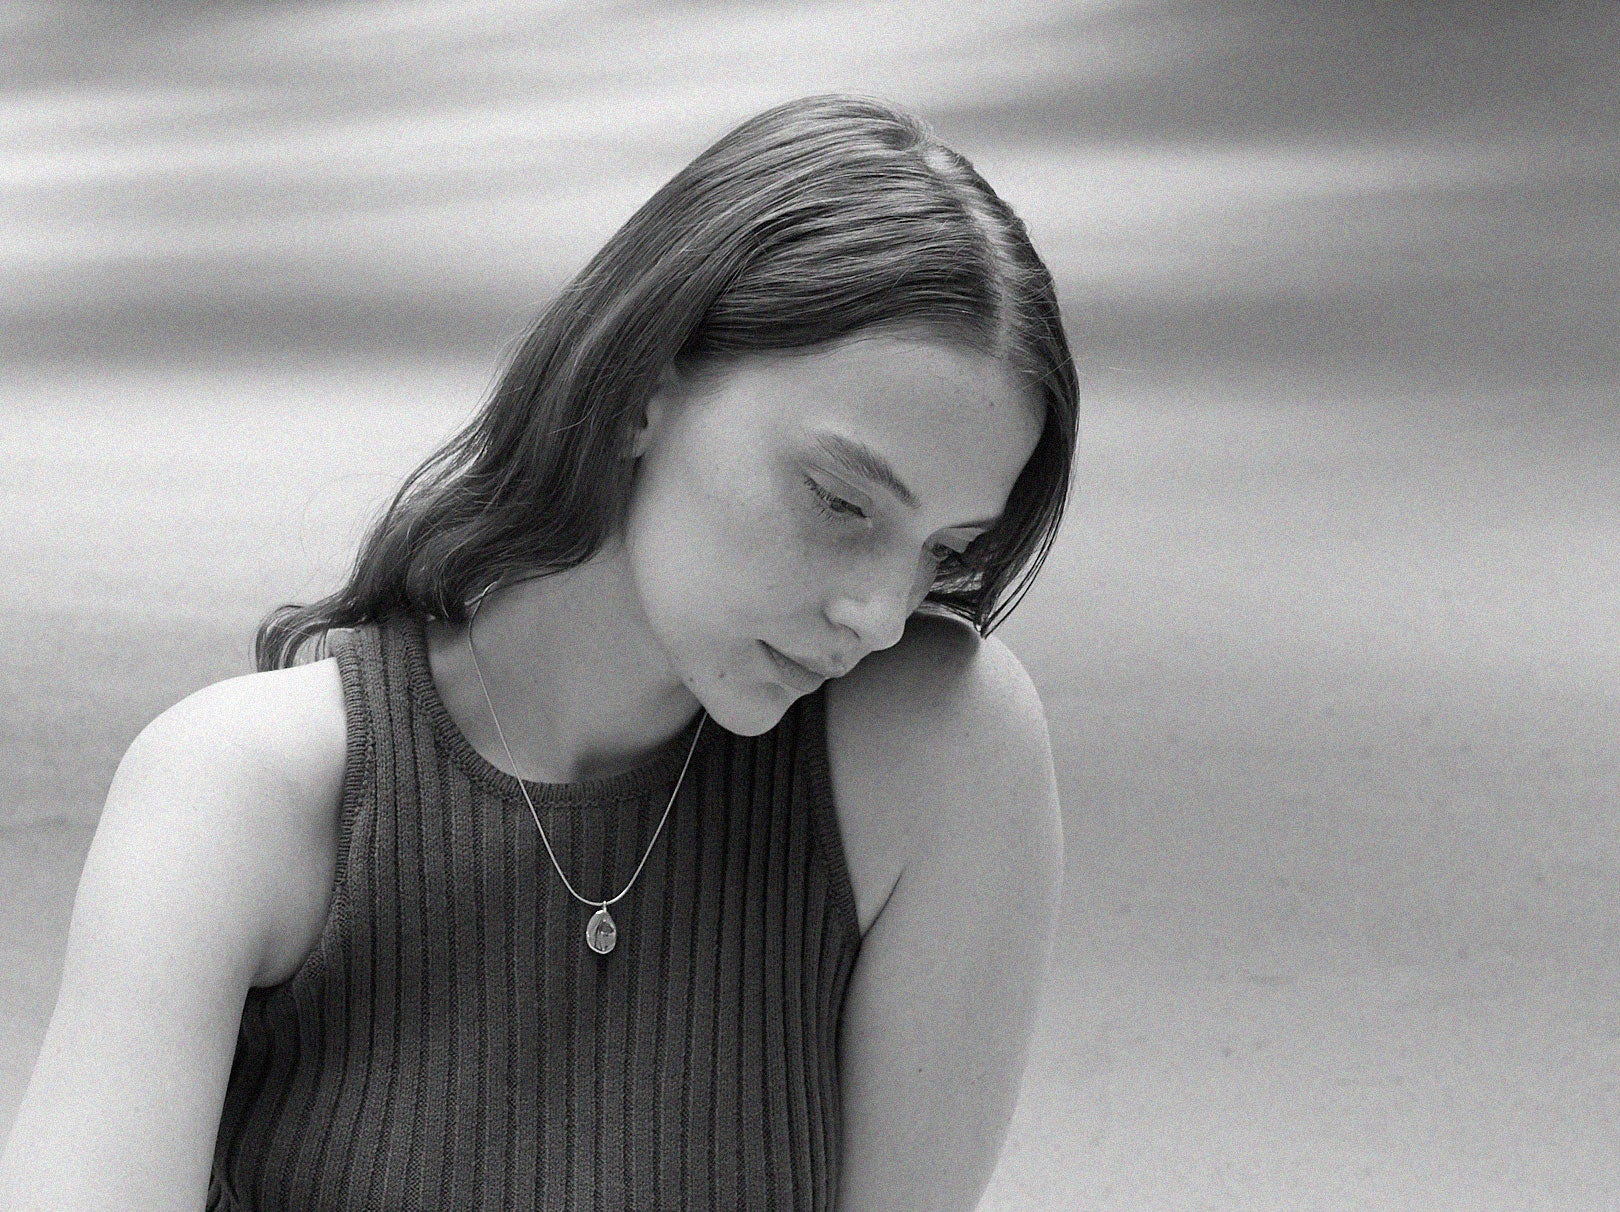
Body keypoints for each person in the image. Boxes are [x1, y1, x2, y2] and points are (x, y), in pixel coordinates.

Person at [0, 94, 1077, 1212]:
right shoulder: (244, 792)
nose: (880, 614)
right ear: (642, 390)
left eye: (943, 551)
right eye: (841, 501)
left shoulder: (936, 752)